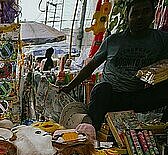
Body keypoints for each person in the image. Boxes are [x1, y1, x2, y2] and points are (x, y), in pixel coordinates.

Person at [60, 0, 168, 130]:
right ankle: (91, 133)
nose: (140, 17)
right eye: (135, 13)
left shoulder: (162, 40)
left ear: (153, 15)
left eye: (145, 12)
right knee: (102, 88)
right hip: (111, 96)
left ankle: (163, 130)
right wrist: (70, 86)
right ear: (127, 16)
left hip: (138, 96)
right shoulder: (113, 40)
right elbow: (91, 66)